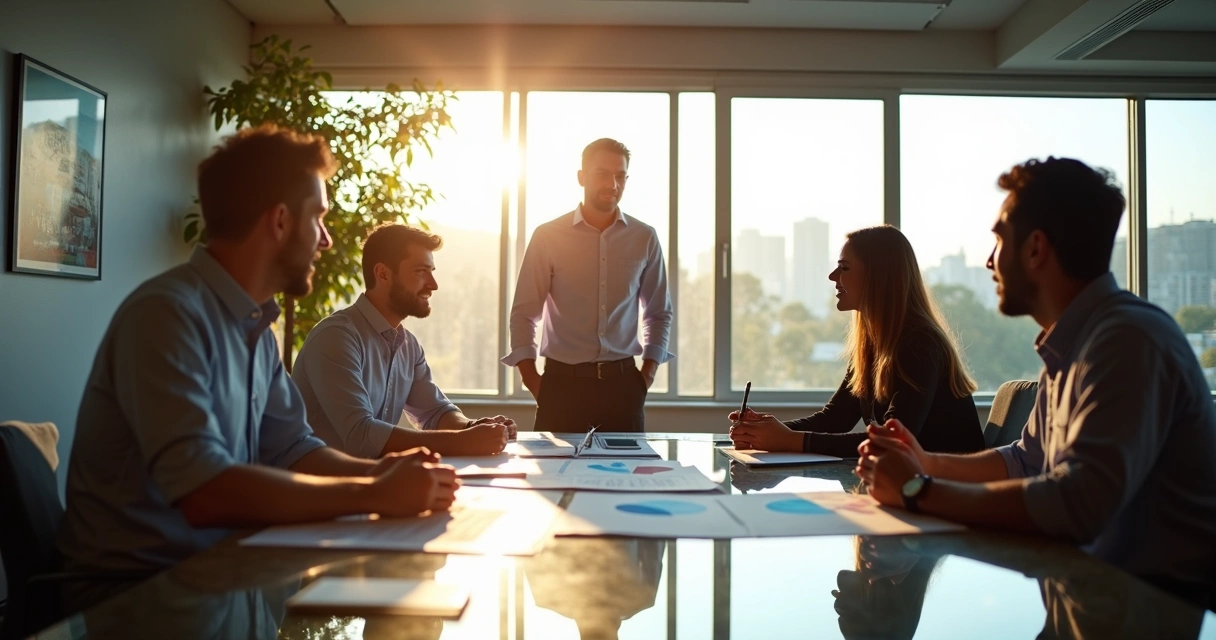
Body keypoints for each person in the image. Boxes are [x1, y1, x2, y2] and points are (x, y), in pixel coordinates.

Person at [57, 126, 459, 611]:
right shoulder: (167, 315)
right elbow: (207, 491)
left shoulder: (254, 329)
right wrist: (373, 491)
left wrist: (384, 475)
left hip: (226, 579)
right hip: (139, 600)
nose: (327, 240)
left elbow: (295, 449)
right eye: (320, 219)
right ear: (281, 221)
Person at [857, 157, 1216, 607]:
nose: (989, 261)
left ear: (1035, 249)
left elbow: (1076, 504)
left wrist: (917, 491)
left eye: (998, 240)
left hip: (1148, 611)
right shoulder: (1074, 345)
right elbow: (1027, 461)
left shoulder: (1127, 341)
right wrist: (925, 461)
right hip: (1088, 600)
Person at [729, 225, 984, 458]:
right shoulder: (875, 343)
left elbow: (891, 442)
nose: (832, 276)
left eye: (844, 268)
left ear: (878, 277)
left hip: (951, 495)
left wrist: (788, 440)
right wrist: (765, 431)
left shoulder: (920, 343)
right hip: (915, 486)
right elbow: (835, 419)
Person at [293, 224, 515, 459]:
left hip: (371, 484)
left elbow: (434, 412)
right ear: (383, 274)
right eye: (421, 272)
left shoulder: (408, 344)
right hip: (321, 490)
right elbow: (361, 436)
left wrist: (472, 427)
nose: (433, 284)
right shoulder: (336, 337)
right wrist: (463, 441)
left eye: (432, 271)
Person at [502, 138, 673, 432]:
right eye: (602, 174)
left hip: (623, 388)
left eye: (620, 176)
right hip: (561, 388)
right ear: (581, 177)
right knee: (557, 478)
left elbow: (659, 313)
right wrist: (535, 383)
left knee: (626, 477)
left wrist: (646, 377)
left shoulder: (644, 237)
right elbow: (523, 314)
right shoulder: (548, 236)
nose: (613, 184)